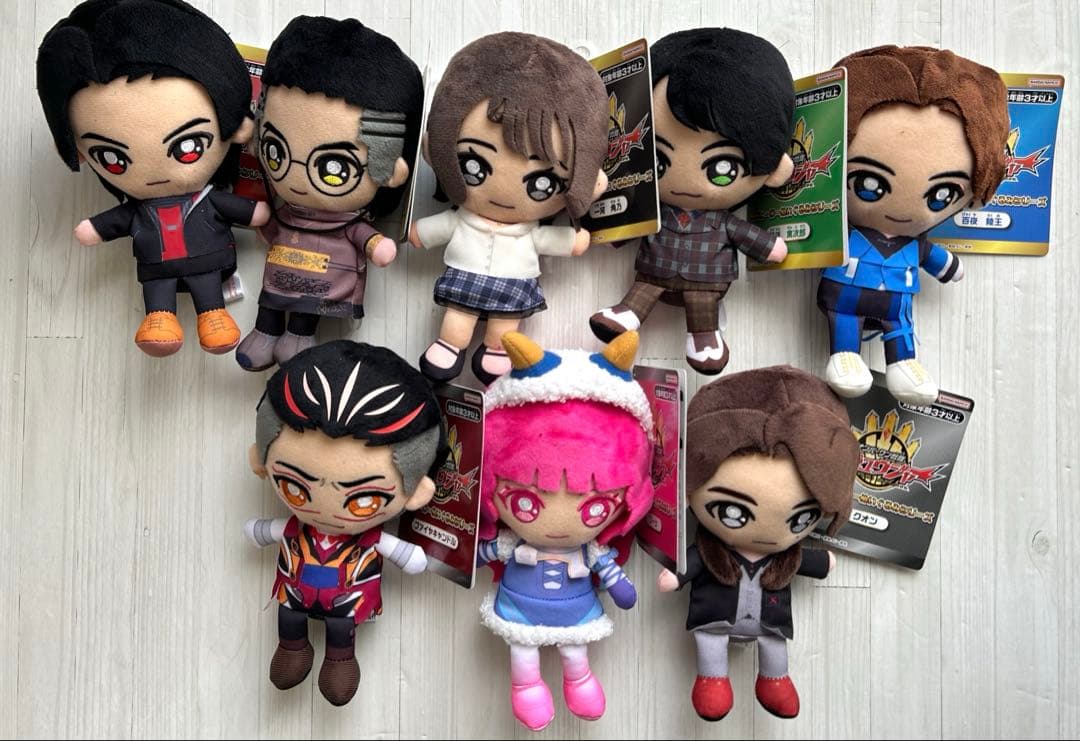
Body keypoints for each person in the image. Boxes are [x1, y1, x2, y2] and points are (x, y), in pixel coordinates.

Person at [36, 0, 269, 356]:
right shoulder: (141, 210)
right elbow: (115, 221)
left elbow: (244, 211)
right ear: (79, 151)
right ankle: (160, 319)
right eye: (113, 159)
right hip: (159, 270)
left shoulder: (206, 199)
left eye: (188, 146)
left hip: (207, 265)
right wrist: (95, 229)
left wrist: (254, 213)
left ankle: (213, 316)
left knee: (208, 292)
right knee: (159, 297)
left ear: (235, 125)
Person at [244, 340, 445, 706]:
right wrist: (259, 531)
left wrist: (410, 555)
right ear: (261, 462)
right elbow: (267, 531)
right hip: (296, 591)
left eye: (364, 499)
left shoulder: (366, 539)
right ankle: (292, 647)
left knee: (341, 629)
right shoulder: (297, 529)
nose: (328, 510)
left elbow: (406, 556)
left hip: (346, 597)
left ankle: (340, 660)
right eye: (295, 486)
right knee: (289, 617)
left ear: (416, 493)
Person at [658, 366, 858, 720]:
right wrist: (676, 575)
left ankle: (774, 680)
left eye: (800, 519)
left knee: (774, 644)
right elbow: (691, 563)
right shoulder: (709, 551)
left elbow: (809, 562)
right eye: (733, 511)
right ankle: (712, 681)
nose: (768, 533)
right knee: (710, 642)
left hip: (769, 622)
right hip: (714, 620)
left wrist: (823, 562)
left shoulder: (786, 557)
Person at [409, 32, 609, 385]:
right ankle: (451, 345)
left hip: (512, 286)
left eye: (542, 182)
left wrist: (573, 241)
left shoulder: (527, 231)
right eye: (473, 165)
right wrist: (419, 233)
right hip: (466, 279)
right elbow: (437, 228)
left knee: (504, 325)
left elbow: (548, 239)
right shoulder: (463, 220)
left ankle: (496, 350)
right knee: (458, 318)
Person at [590, 28, 794, 374]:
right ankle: (627, 314)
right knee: (644, 286)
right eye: (658, 160)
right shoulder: (655, 210)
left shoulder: (723, 222)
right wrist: (613, 232)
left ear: (774, 169)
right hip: (654, 272)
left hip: (706, 281)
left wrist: (770, 246)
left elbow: (750, 238)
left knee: (702, 304)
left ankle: (705, 337)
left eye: (722, 168)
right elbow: (629, 224)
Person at [817, 46, 1009, 404]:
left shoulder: (915, 246)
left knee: (900, 325)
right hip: (846, 298)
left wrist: (950, 266)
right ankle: (845, 355)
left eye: (941, 195)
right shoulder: (845, 233)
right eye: (868, 184)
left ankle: (904, 363)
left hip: (895, 302)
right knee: (845, 319)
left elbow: (937, 260)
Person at [235, 16, 424, 370]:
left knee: (306, 308)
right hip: (279, 276)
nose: (296, 177)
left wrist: (376, 245)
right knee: (271, 299)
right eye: (276, 151)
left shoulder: (348, 222)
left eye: (333, 168)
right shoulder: (287, 210)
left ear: (388, 168)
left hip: (321, 284)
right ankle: (265, 333)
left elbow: (367, 238)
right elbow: (270, 229)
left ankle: (298, 338)